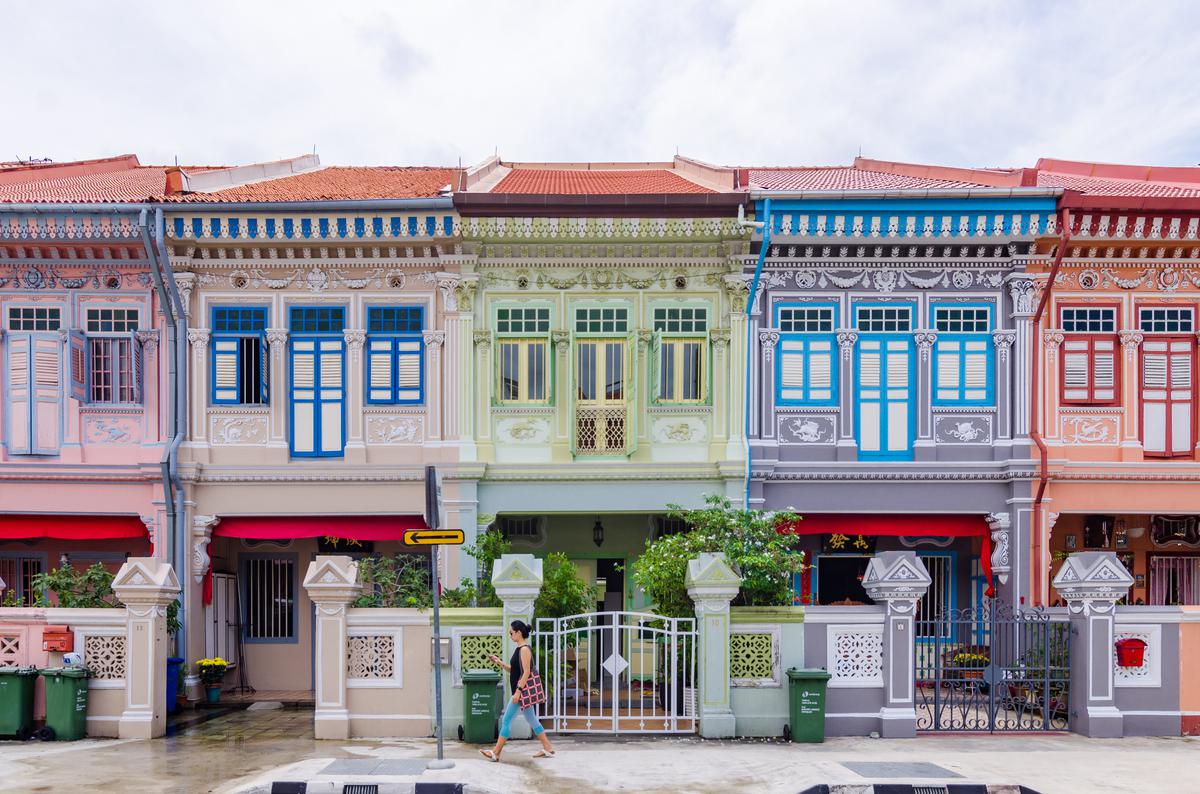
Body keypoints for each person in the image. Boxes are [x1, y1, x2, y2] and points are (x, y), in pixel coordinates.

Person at [479, 619, 555, 762]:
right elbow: (514, 670)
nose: (510, 635)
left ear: (519, 633)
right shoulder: (519, 649)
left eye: (511, 632)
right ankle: (548, 747)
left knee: (507, 720)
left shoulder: (525, 649)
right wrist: (499, 662)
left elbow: (526, 672)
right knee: (532, 720)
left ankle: (496, 752)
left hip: (520, 692)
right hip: (521, 692)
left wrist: (518, 692)